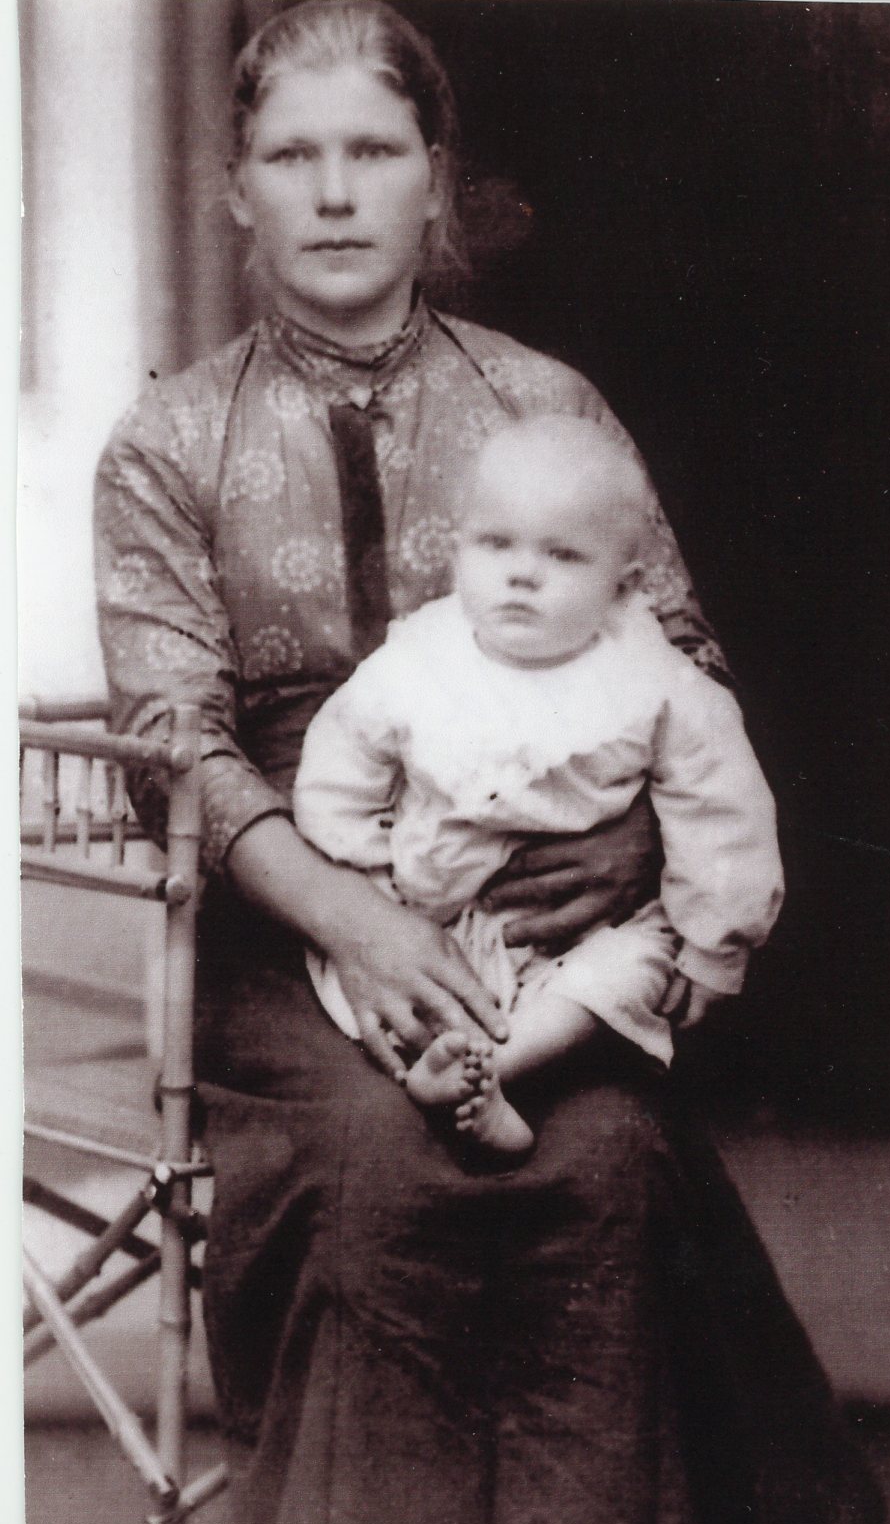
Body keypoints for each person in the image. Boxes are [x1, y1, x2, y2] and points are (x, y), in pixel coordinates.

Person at [94, 0, 883, 1524]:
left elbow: (679, 663)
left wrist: (617, 845)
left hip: (550, 910)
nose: (335, 193)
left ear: (434, 177)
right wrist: (358, 917)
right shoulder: (168, 441)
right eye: (292, 156)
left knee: (596, 1158)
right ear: (236, 186)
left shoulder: (547, 407)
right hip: (291, 917)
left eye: (372, 151)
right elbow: (174, 739)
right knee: (381, 1157)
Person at [294, 414, 785, 1159]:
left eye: (562, 554)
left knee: (633, 967)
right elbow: (340, 763)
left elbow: (721, 806)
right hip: (431, 917)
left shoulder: (653, 680)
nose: (522, 574)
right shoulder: (419, 660)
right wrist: (367, 876)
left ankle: (493, 1070)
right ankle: (446, 1055)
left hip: (584, 935)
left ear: (623, 585)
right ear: (458, 549)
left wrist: (717, 940)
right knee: (386, 988)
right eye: (496, 544)